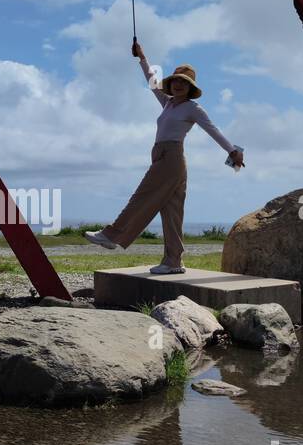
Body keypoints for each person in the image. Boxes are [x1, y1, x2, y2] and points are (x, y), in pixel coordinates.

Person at [84, 41, 245, 275]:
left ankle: (111, 235)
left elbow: (213, 130)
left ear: (191, 88)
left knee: (142, 195)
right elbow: (151, 80)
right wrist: (142, 57)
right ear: (171, 83)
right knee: (171, 212)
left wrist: (232, 151)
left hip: (171, 158)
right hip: (163, 158)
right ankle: (173, 261)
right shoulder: (167, 103)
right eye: (176, 81)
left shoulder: (193, 109)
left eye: (184, 82)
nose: (179, 85)